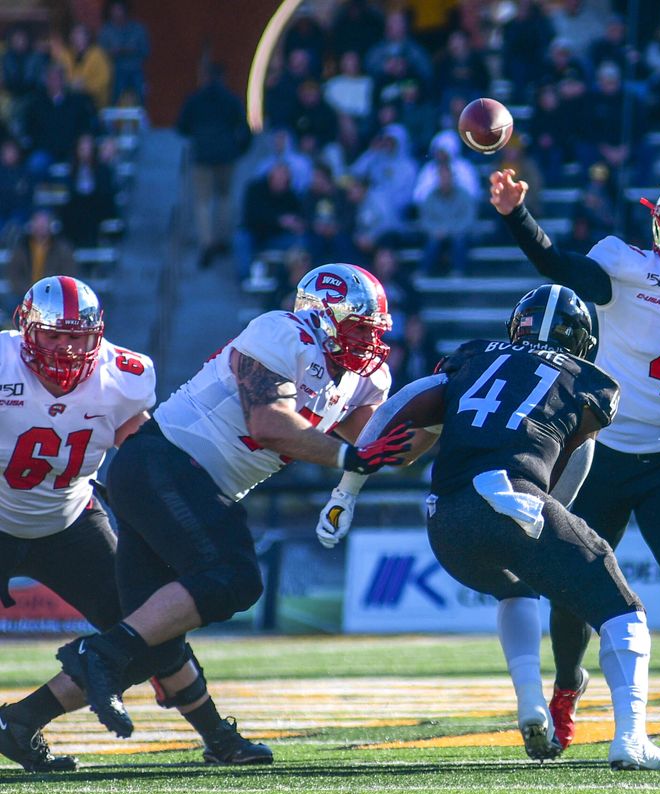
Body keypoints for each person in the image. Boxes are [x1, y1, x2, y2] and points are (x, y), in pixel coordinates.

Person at [316, 284, 660, 771]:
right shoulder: (587, 382)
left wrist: (345, 493)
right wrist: (547, 533)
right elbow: (571, 473)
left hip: (446, 519)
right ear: (580, 340)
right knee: (623, 611)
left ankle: (532, 701)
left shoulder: (473, 357)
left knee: (515, 590)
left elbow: (397, 409)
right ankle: (632, 739)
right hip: (511, 496)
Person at [53, 263, 412, 741]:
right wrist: (351, 458)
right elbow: (269, 423)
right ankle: (99, 654)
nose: (369, 342)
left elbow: (378, 445)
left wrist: (439, 414)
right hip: (163, 461)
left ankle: (23, 722)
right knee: (234, 577)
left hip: (194, 481)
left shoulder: (366, 378)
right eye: (358, 328)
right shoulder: (282, 332)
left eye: (374, 331)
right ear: (323, 317)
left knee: (154, 637)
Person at [489, 169, 660, 757]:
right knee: (575, 583)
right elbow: (558, 267)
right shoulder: (626, 266)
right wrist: (518, 214)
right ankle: (567, 688)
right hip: (602, 450)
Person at [0, 276, 273, 771]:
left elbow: (139, 454)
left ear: (96, 334)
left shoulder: (124, 376)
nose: (65, 348)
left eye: (75, 336)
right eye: (53, 335)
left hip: (69, 519)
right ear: (27, 330)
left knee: (149, 631)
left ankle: (20, 723)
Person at [176, 62, 252, 269]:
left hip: (202, 155)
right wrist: (238, 150)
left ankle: (207, 242)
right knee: (225, 198)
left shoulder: (195, 100)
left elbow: (182, 126)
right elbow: (245, 129)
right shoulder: (231, 99)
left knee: (202, 202)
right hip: (226, 155)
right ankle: (223, 239)